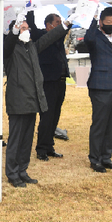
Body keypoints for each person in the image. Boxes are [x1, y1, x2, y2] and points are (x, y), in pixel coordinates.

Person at [3, 14, 75, 187]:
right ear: (16, 30)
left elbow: (50, 37)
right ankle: (12, 173)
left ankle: (22, 170)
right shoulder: (10, 50)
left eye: (28, 28)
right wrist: (14, 30)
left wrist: (66, 24)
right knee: (16, 139)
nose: (27, 30)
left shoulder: (32, 47)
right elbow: (8, 45)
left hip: (32, 99)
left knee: (27, 139)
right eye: (23, 28)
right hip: (18, 100)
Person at [85, 7, 112, 172]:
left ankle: (106, 157)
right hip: (101, 86)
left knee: (111, 124)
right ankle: (95, 159)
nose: (111, 25)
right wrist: (93, 18)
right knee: (100, 123)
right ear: (101, 22)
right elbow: (88, 37)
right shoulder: (94, 37)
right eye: (108, 22)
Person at [26, 11, 68, 161]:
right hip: (47, 81)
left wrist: (73, 17)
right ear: (48, 25)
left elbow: (66, 28)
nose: (60, 24)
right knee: (47, 115)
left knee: (55, 114)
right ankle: (41, 148)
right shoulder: (41, 35)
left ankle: (49, 146)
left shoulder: (59, 36)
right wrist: (30, 8)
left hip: (60, 81)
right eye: (57, 22)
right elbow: (31, 25)